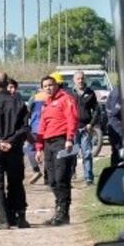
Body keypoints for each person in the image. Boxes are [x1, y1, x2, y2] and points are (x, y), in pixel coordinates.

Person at [0, 77, 31, 229]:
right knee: (16, 183)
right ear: (7, 86)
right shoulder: (19, 103)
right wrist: (11, 141)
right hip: (14, 149)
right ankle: (20, 217)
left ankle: (4, 220)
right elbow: (24, 128)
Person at [34, 75, 78, 226]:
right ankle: (58, 209)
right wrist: (39, 148)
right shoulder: (46, 103)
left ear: (56, 85)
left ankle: (63, 213)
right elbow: (42, 126)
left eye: (50, 85)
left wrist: (69, 139)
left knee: (61, 179)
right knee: (51, 180)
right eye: (45, 86)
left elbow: (72, 118)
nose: (48, 88)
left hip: (61, 141)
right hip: (48, 144)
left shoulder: (66, 99)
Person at [71, 71, 98, 186]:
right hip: (73, 128)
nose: (80, 81)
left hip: (85, 127)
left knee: (87, 154)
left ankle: (89, 178)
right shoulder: (69, 93)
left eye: (82, 78)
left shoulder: (90, 93)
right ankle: (71, 174)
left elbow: (97, 110)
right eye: (78, 79)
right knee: (72, 153)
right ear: (74, 80)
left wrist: (91, 124)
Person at [105, 85, 124, 167]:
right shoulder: (118, 92)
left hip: (116, 124)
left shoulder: (119, 90)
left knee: (118, 151)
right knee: (118, 151)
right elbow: (114, 112)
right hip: (116, 126)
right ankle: (116, 170)